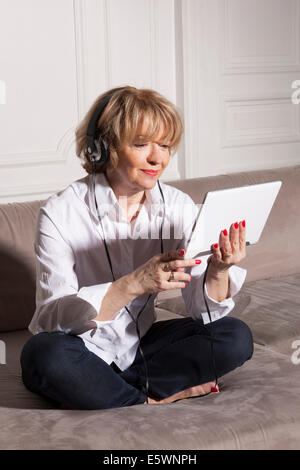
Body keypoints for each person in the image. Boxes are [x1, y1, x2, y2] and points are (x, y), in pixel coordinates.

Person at [20, 85, 253, 410]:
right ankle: (149, 398)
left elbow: (204, 313)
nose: (157, 158)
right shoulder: (60, 213)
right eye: (142, 144)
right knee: (43, 355)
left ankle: (110, 392)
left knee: (234, 336)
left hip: (140, 347)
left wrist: (219, 269)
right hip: (80, 348)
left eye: (165, 145)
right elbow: (49, 320)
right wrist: (133, 285)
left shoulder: (177, 206)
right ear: (103, 148)